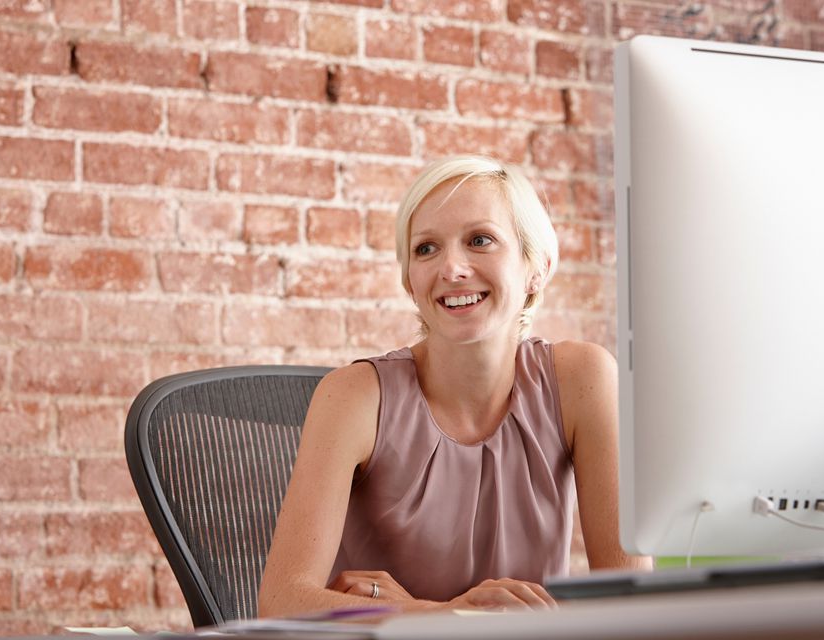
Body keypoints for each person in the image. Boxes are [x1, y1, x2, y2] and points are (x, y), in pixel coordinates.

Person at [258, 155, 650, 617]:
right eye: (426, 249)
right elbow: (280, 603)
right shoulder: (353, 396)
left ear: (537, 267)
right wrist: (445, 616)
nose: (451, 268)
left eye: (480, 240)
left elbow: (634, 605)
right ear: (410, 281)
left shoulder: (582, 379)